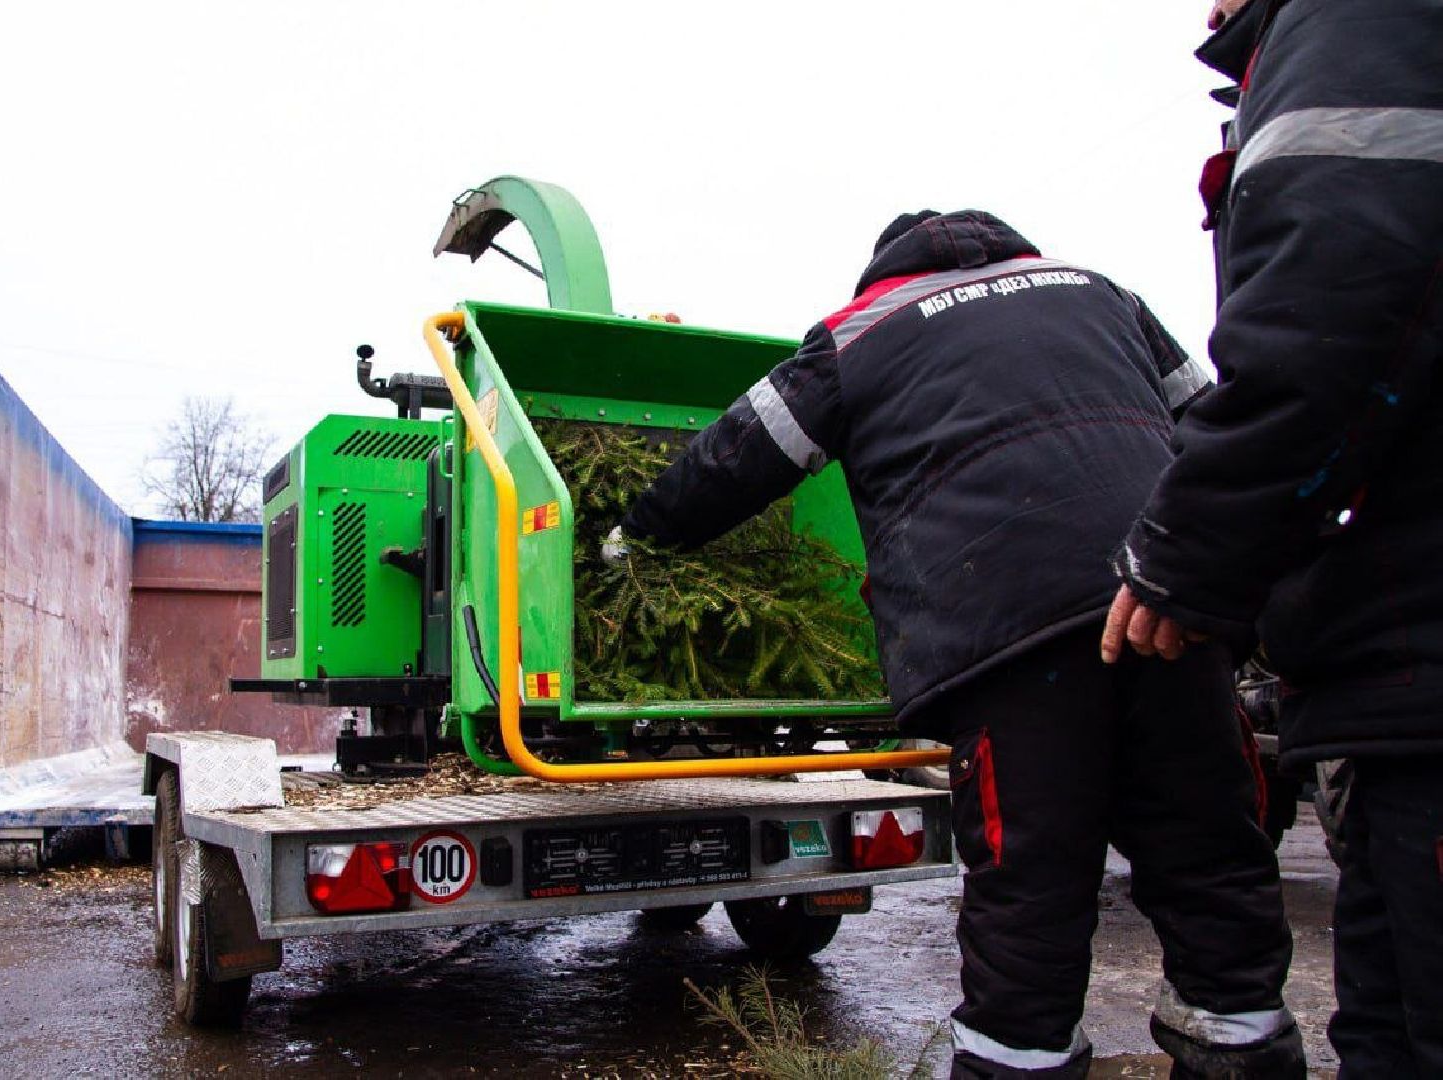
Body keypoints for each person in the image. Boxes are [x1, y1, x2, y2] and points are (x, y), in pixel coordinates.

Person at [610, 210, 1302, 1077]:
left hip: (1009, 635)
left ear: (885, 271)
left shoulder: (862, 330)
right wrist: (1214, 574)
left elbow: (735, 456)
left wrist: (635, 535)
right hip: (1162, 605)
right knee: (1210, 850)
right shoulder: (1099, 292)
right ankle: (1243, 1046)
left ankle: (1016, 1061)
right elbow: (1214, 423)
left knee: (1030, 882)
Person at [1100, 0, 1443, 1073]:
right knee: (1383, 1025)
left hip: (1420, 665)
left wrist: (1185, 558)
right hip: (1396, 682)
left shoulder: (1359, 19)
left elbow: (1320, 312)